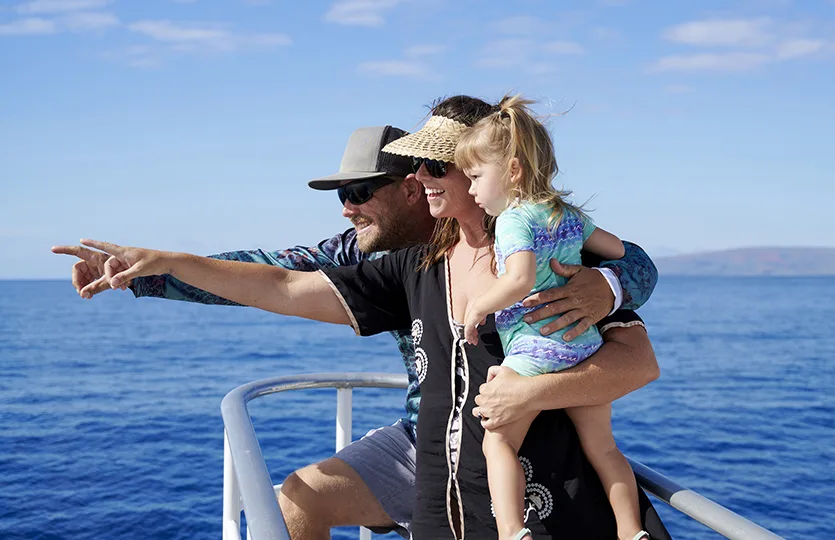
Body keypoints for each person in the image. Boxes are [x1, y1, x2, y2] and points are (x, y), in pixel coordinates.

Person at [52, 109, 663, 539]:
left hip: (524, 452)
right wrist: (145, 272)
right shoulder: (382, 260)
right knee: (300, 499)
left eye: (364, 188)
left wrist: (611, 286)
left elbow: (635, 318)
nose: (349, 205)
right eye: (341, 193)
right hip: (431, 441)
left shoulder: (539, 250)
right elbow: (276, 278)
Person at [456, 95, 646, 540]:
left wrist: (480, 305)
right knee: (604, 448)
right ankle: (631, 532)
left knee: (498, 442)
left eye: (476, 177)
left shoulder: (511, 219)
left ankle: (510, 532)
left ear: (514, 172)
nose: (471, 191)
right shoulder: (568, 214)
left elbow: (519, 279)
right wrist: (593, 274)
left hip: (536, 350)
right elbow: (620, 251)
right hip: (583, 344)